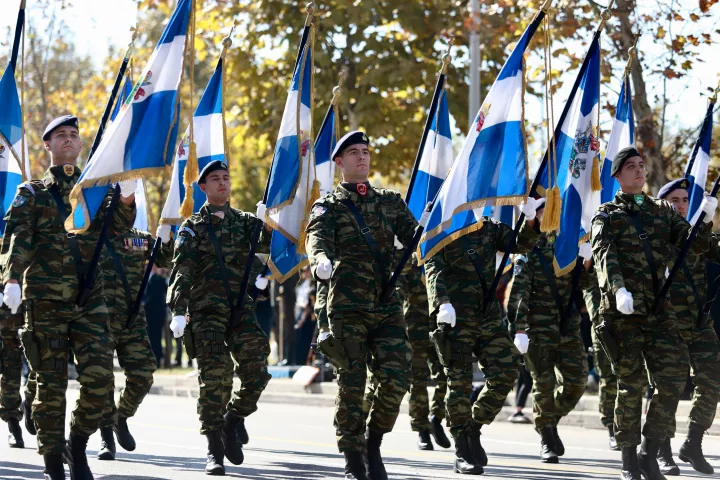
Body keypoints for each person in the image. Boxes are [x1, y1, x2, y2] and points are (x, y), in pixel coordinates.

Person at [1, 115, 136, 480]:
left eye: (74, 136)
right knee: (51, 385)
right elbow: (17, 239)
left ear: (80, 145)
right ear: (48, 145)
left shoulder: (94, 190)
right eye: (61, 135)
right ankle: (52, 463)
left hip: (89, 298)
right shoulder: (32, 194)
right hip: (45, 301)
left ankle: (77, 443)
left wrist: (127, 197)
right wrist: (12, 278)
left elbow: (120, 227)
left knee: (99, 379)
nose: (69, 140)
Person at [590, 147, 718, 480]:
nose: (639, 171)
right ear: (617, 175)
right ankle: (630, 459)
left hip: (659, 311)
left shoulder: (661, 211)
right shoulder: (606, 214)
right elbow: (604, 256)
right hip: (623, 312)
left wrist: (703, 221)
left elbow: (692, 245)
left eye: (641, 166)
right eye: (631, 167)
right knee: (631, 385)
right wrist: (617, 289)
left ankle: (649, 450)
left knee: (674, 379)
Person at [306, 131, 418, 480]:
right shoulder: (329, 205)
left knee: (397, 379)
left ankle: (374, 441)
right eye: (354, 153)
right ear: (339, 162)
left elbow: (414, 235)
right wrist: (320, 259)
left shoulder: (390, 201)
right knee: (352, 384)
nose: (362, 158)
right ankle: (352, 454)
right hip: (346, 306)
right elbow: (316, 238)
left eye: (366, 152)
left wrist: (424, 230)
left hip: (385, 304)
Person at [167, 160, 272, 476]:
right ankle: (214, 449)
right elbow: (182, 269)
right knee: (215, 377)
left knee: (257, 370)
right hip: (206, 312)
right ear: (203, 187)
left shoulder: (246, 223)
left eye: (226, 178)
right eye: (215, 179)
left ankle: (233, 419)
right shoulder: (192, 228)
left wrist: (271, 223)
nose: (222, 183)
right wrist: (177, 309)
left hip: (240, 310)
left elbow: (270, 251)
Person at [424, 196, 540, 474]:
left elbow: (519, 244)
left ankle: (474, 425)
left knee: (506, 370)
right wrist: (441, 302)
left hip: (487, 315)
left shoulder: (489, 227)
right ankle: (462, 446)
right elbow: (432, 266)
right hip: (455, 316)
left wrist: (531, 220)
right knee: (459, 383)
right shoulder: (444, 229)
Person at [506, 201, 590, 463]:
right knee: (543, 384)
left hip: (567, 327)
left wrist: (586, 262)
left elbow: (584, 286)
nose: (551, 220)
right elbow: (518, 292)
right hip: (538, 329)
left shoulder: (568, 250)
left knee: (577, 382)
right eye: (545, 214)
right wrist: (518, 328)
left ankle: (549, 419)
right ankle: (546, 435)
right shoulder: (527, 251)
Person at [653, 178, 720, 476]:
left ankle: (692, 443)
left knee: (712, 381)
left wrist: (708, 220)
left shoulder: (696, 235)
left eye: (684, 200)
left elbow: (715, 251)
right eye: (675, 200)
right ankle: (662, 450)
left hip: (698, 322)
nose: (681, 205)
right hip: (666, 324)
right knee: (668, 387)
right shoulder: (651, 235)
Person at [95, 220, 172, 460]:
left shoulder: (140, 238)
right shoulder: (90, 236)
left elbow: (165, 261)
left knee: (143, 374)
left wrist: (166, 241)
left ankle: (121, 417)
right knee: (102, 380)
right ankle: (106, 437)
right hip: (99, 320)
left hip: (132, 320)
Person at [397, 256, 450, 451]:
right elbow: (397, 292)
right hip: (415, 330)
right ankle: (422, 430)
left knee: (446, 376)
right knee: (417, 382)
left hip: (440, 329)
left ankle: (436, 418)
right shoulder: (409, 264)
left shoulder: (441, 261)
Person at [582, 277, 619, 450]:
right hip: (602, 327)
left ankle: (626, 426)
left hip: (628, 323)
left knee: (632, 379)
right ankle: (612, 428)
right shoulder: (594, 261)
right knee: (608, 380)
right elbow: (587, 289)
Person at [0, 299, 30, 447]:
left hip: (27, 309)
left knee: (13, 371)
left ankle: (29, 404)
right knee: (10, 370)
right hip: (8, 310)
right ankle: (13, 424)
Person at [144, 265, 170, 367]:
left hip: (156, 313)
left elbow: (154, 297)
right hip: (149, 313)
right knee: (150, 337)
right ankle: (153, 358)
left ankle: (157, 359)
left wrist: (143, 304)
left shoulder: (158, 279)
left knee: (156, 337)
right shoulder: (147, 278)